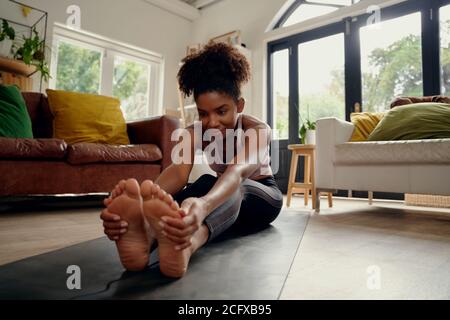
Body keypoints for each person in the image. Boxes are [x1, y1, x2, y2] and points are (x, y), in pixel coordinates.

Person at [100, 42, 283, 278]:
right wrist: (142, 205)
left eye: (222, 111)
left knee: (231, 188)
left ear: (239, 106)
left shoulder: (257, 129)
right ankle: (147, 236)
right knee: (204, 183)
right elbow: (178, 173)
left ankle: (189, 242)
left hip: (261, 198)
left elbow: (237, 173)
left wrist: (203, 206)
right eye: (203, 113)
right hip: (223, 198)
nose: (212, 122)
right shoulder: (192, 132)